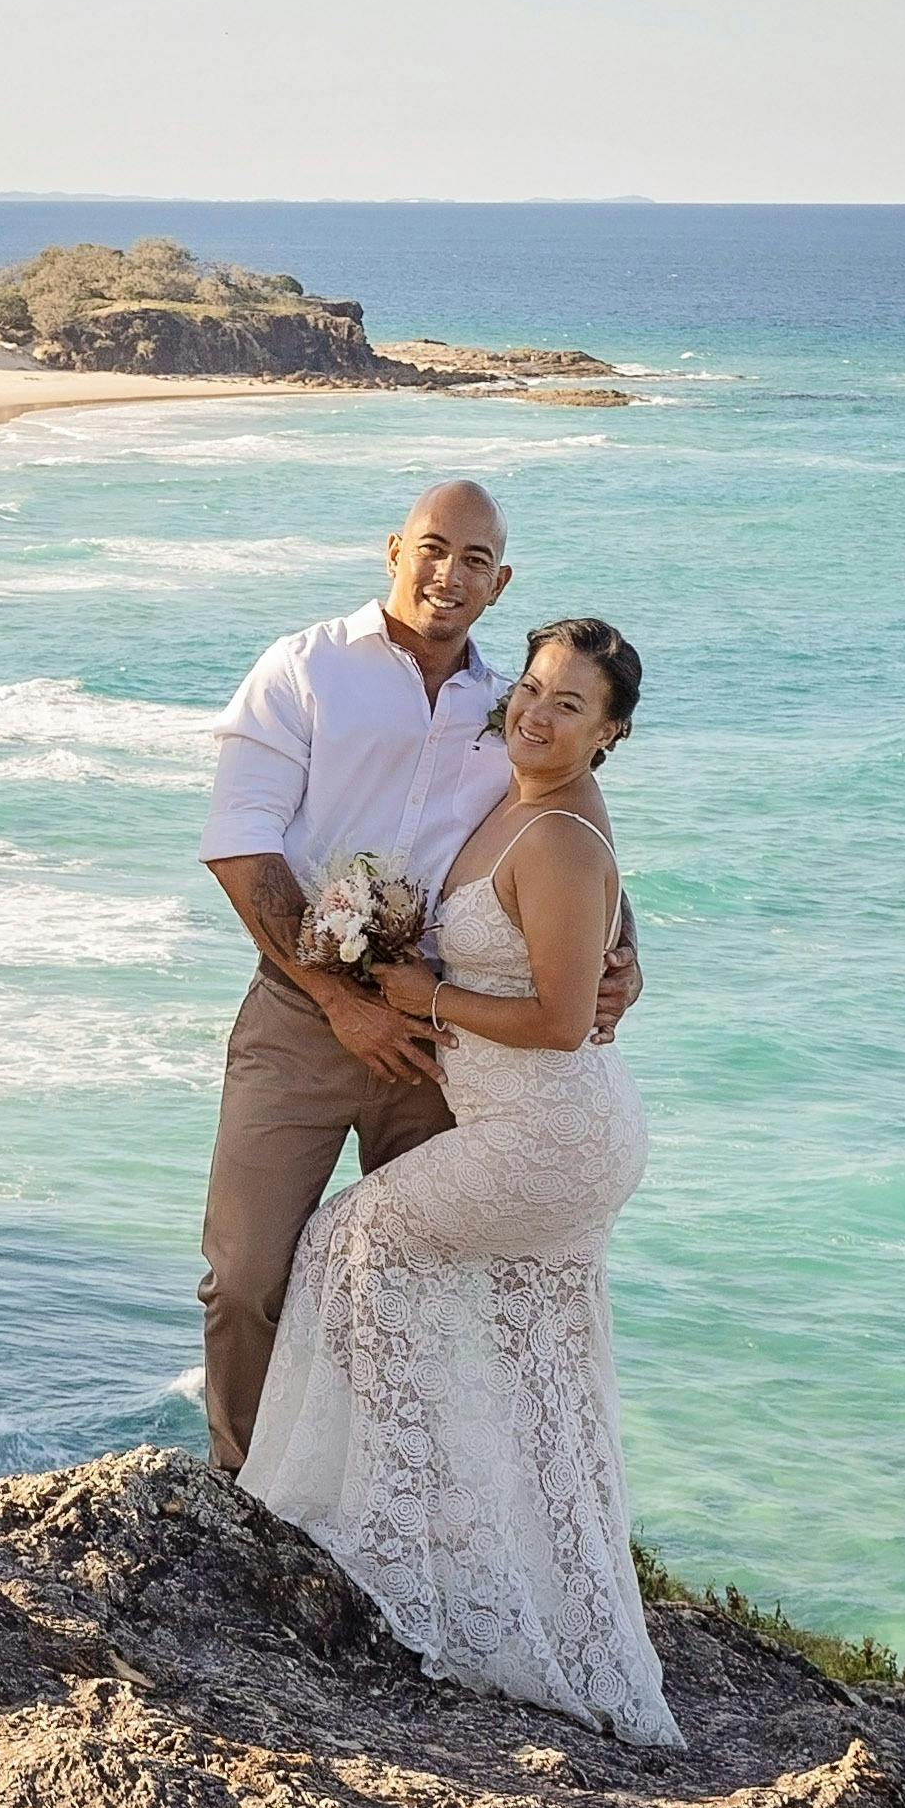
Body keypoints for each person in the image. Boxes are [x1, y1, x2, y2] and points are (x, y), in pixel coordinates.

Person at [231, 612, 675, 1742]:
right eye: (530, 688)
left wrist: (422, 998)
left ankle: (387, 1550)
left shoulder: (560, 829)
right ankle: (486, 1551)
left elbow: (564, 1018)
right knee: (513, 1342)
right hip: (545, 1131)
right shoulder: (525, 788)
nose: (534, 711)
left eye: (568, 704)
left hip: (546, 1132)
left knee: (348, 1246)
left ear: (608, 733)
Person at [193, 481, 635, 1469]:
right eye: (433, 547)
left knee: (422, 1281)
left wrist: (623, 951)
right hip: (301, 1015)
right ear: (393, 549)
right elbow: (240, 847)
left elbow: (565, 825)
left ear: (499, 581)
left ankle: (386, 1491)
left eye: (475, 559)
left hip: (446, 1041)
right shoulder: (302, 670)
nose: (449, 572)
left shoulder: (507, 705)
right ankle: (242, 1488)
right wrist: (341, 1006)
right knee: (248, 1274)